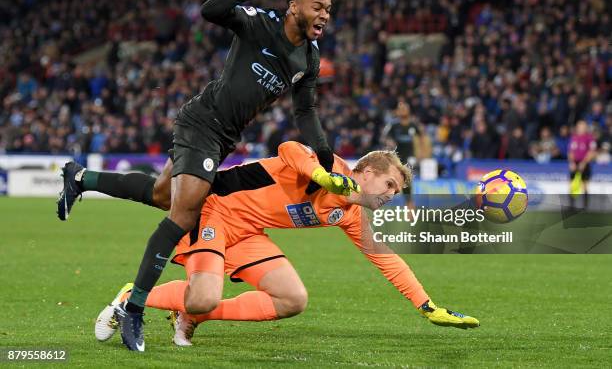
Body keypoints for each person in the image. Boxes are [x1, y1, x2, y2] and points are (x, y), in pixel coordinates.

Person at [59, 0, 359, 351]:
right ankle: (133, 307)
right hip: (203, 122)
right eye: (318, 5)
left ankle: (81, 178)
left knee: (162, 195)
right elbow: (211, 10)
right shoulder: (259, 24)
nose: (325, 13)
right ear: (294, 7)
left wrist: (322, 153)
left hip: (222, 138)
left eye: (329, 8)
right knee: (183, 214)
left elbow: (304, 110)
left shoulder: (309, 58)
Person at [94, 141, 479, 347]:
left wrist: (427, 306)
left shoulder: (350, 213)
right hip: (214, 211)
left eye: (397, 190)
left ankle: (193, 315)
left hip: (248, 233)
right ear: (366, 172)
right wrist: (319, 175)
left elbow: (387, 259)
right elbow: (290, 148)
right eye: (390, 185)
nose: (393, 194)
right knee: (203, 294)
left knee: (293, 299)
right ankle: (134, 297)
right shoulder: (331, 169)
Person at [568, 120, 597, 209]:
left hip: (584, 163)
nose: (581, 128)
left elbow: (592, 152)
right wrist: (571, 162)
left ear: (586, 128)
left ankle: (585, 207)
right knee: (572, 184)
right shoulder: (574, 138)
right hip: (575, 163)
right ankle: (571, 206)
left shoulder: (589, 138)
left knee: (584, 185)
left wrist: (584, 163)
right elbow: (570, 151)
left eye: (583, 126)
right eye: (579, 126)